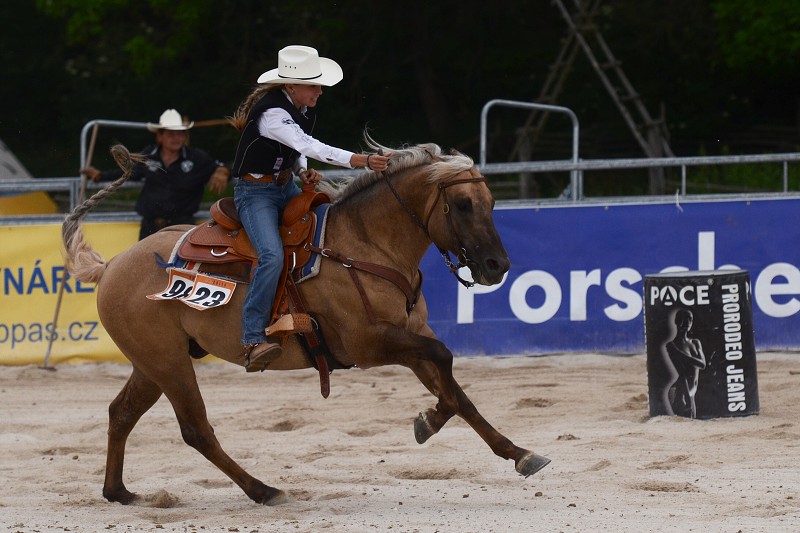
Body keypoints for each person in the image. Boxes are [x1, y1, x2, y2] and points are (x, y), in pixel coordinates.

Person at [230, 44, 391, 370]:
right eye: (313, 85)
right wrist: (360, 160)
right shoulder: (273, 114)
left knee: (331, 227)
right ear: (291, 86)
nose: (319, 91)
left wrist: (301, 171)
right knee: (272, 255)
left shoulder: (298, 110)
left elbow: (297, 148)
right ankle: (252, 337)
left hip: (283, 186)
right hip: (255, 193)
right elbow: (307, 143)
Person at [81, 108, 231, 240]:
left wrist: (222, 171)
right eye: (171, 134)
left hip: (182, 227)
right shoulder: (149, 154)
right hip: (150, 227)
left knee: (180, 263)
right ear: (160, 136)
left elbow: (224, 166)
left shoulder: (196, 158)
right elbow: (129, 172)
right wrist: (100, 176)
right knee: (145, 262)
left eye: (180, 133)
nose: (177, 138)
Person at [665, 309, 707, 418]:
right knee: (684, 422)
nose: (687, 322)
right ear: (676, 321)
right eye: (683, 319)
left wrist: (681, 355)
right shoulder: (672, 345)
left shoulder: (695, 342)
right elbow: (682, 373)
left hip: (691, 391)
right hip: (680, 391)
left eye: (690, 319)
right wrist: (688, 400)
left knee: (691, 421)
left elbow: (703, 364)